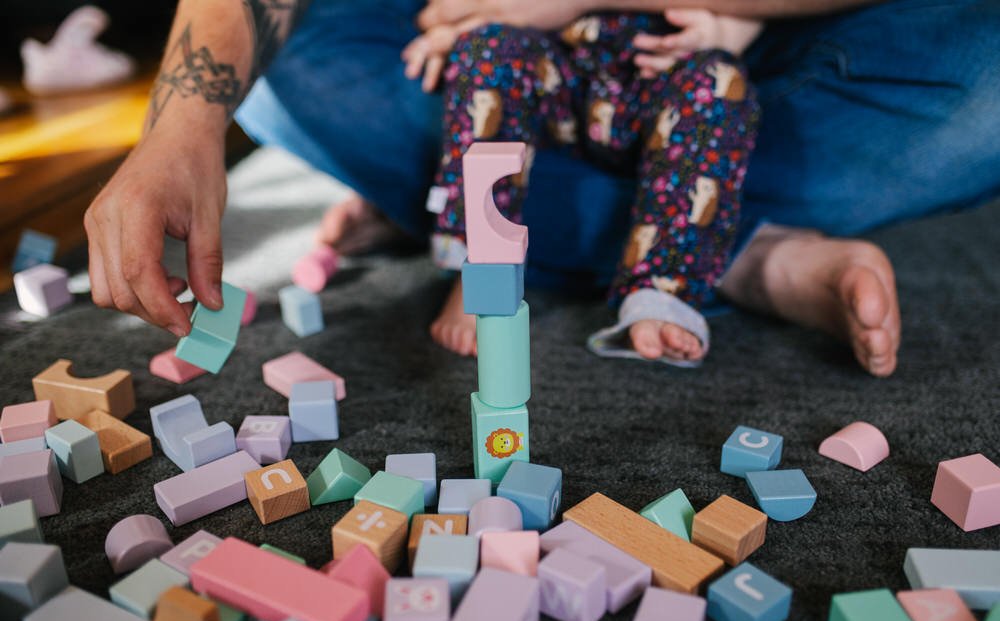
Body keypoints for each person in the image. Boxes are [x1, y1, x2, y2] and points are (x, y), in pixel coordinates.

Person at [84, 0, 1000, 378]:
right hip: (521, 62)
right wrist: (183, 125)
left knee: (728, 94)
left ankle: (682, 260)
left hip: (694, 59)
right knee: (304, 72)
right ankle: (714, 246)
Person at [405, 11, 761, 364]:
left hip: (666, 75)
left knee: (717, 79)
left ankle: (661, 292)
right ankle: (482, 270)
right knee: (488, 48)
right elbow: (447, 10)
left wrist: (723, 30)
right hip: (560, 69)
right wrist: (449, 29)